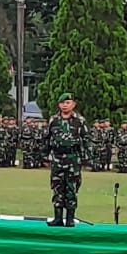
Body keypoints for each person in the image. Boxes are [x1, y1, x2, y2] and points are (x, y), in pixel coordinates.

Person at [43, 93, 89, 227]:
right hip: (57, 158)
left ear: (73, 104)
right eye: (62, 103)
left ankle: (70, 218)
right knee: (57, 187)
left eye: (68, 102)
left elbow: (86, 140)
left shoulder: (79, 120)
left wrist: (87, 157)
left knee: (71, 188)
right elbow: (46, 139)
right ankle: (58, 217)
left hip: (73, 159)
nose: (65, 105)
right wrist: (44, 155)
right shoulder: (54, 120)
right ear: (59, 105)